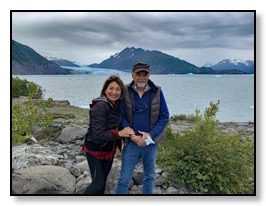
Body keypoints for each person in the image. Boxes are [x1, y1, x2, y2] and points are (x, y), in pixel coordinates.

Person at [116, 62, 169, 194]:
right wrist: (132, 135)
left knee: (149, 177)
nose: (142, 77)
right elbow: (121, 116)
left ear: (149, 75)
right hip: (131, 142)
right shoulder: (125, 90)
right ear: (133, 75)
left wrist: (150, 135)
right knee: (124, 178)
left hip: (150, 143)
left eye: (144, 74)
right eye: (138, 74)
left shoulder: (157, 91)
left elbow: (164, 116)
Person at [82, 75, 134, 194]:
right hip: (94, 149)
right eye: (111, 88)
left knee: (102, 185)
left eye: (118, 89)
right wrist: (120, 133)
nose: (114, 92)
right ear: (105, 90)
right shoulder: (100, 106)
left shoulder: (117, 106)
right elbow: (98, 134)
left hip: (108, 151)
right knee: (98, 183)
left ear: (121, 92)